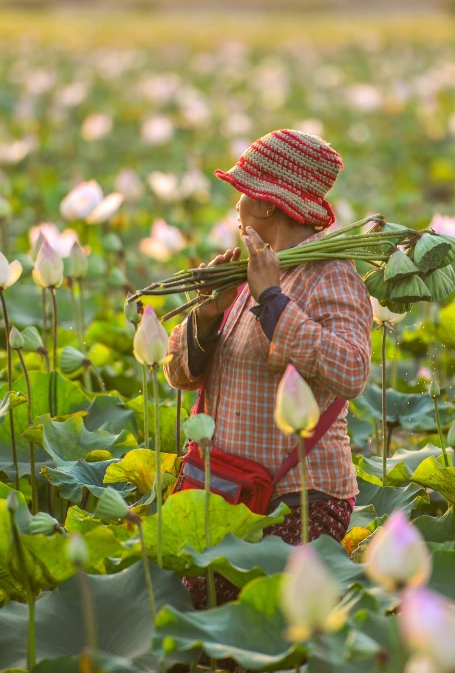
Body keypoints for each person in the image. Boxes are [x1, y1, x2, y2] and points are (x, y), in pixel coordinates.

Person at [164, 129, 372, 609]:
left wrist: (272, 301)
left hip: (300, 497)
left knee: (253, 622)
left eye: (242, 195)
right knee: (203, 611)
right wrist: (210, 311)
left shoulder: (332, 274)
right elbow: (178, 373)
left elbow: (353, 371)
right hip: (230, 487)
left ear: (269, 207)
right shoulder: (250, 269)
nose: (235, 208)